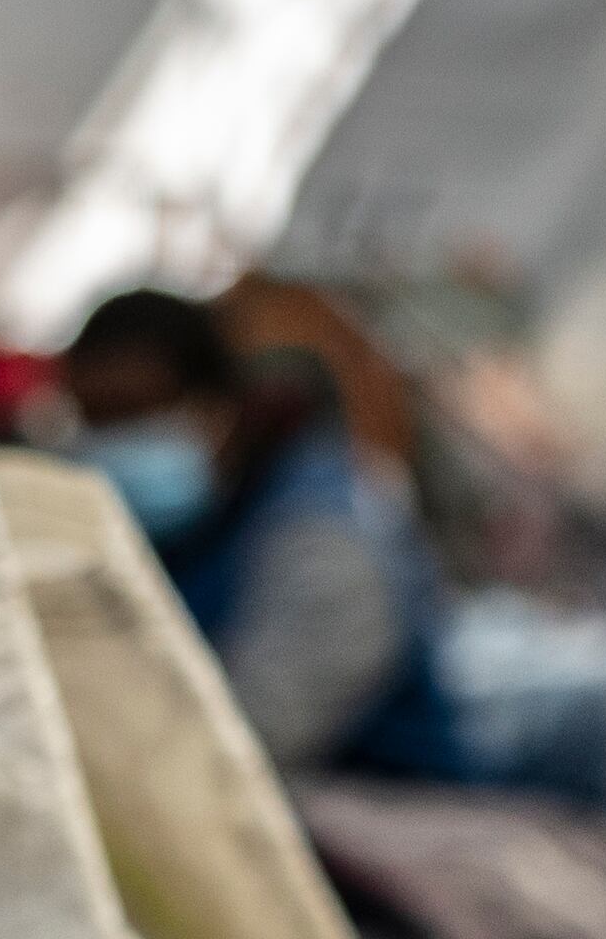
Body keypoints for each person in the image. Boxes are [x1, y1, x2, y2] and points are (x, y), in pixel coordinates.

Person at [59, 286, 451, 775]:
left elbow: (242, 744)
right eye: (93, 420)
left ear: (216, 408)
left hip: (387, 803)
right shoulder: (189, 521)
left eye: (134, 413)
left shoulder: (326, 540)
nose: (112, 443)